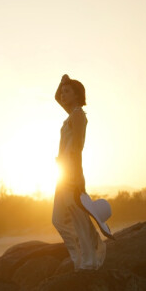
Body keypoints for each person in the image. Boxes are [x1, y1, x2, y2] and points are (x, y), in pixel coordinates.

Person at [52, 74, 106, 271]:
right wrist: (63, 82)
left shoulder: (78, 115)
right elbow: (56, 98)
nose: (63, 95)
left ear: (77, 95)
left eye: (68, 91)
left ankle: (89, 261)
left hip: (70, 173)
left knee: (77, 217)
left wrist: (77, 177)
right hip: (63, 173)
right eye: (63, 92)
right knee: (58, 218)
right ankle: (82, 257)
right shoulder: (70, 113)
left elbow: (77, 148)